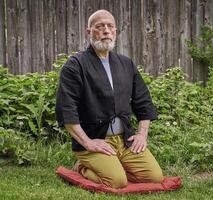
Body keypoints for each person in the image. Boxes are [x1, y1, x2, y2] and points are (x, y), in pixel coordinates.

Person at [56, 9, 163, 189]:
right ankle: (82, 167)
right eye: (99, 26)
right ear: (89, 31)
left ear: (115, 31)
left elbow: (143, 102)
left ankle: (114, 164)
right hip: (95, 139)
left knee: (155, 177)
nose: (106, 30)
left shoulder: (126, 64)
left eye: (110, 26)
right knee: (116, 181)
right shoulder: (75, 66)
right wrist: (88, 142)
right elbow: (67, 109)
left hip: (125, 140)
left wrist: (142, 135)